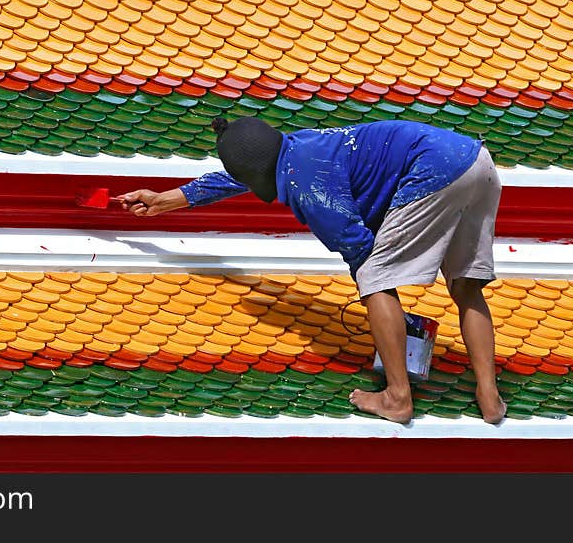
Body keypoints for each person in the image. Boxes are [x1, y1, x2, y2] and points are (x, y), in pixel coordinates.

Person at [118, 116, 507, 425]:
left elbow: (356, 245)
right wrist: (166, 200)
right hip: (476, 161)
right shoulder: (296, 147)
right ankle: (489, 398)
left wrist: (391, 311)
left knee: (373, 279)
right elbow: (236, 176)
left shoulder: (308, 186)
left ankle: (397, 397)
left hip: (432, 174)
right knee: (466, 287)